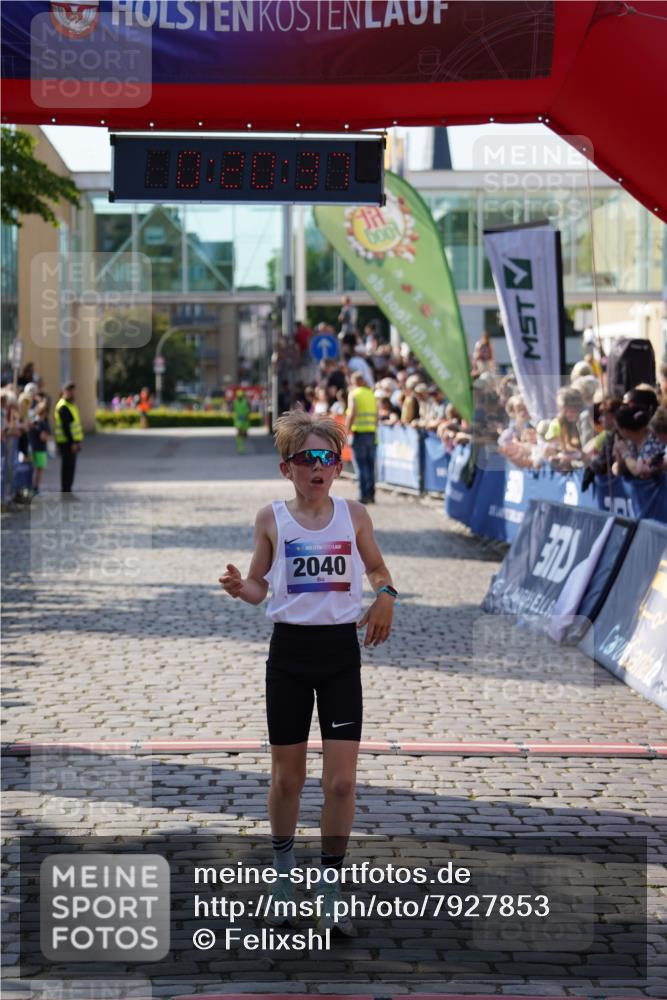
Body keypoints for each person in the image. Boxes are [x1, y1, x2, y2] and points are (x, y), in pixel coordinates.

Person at [219, 411, 396, 936]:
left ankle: (331, 888)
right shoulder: (272, 518)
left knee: (341, 782)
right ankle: (281, 880)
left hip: (340, 655)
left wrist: (386, 595)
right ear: (286, 468)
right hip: (290, 655)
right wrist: (239, 587)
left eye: (328, 458)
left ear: (338, 467)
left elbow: (379, 571)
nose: (318, 468)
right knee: (288, 779)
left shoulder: (355, 515)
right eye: (307, 459)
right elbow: (258, 586)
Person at [346, 371, 378, 504]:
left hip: (359, 434)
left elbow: (352, 413)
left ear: (354, 382)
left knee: (361, 465)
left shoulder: (354, 394)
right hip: (371, 434)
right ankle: (371, 494)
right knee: (370, 466)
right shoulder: (370, 394)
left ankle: (363, 495)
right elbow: (376, 415)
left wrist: (346, 431)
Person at [54, 382, 83, 494]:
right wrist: (73, 442)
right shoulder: (63, 406)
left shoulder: (71, 405)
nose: (72, 393)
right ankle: (65, 491)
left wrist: (77, 441)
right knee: (67, 467)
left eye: (73, 391)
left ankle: (68, 490)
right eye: (69, 391)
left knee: (71, 467)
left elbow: (74, 425)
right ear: (64, 391)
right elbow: (66, 427)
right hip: (66, 442)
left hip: (72, 441)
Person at [29, 399, 51, 495]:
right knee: (39, 470)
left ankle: (34, 487)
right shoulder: (42, 423)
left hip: (34, 448)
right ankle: (36, 488)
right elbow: (44, 437)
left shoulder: (34, 421)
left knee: (35, 469)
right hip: (40, 449)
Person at [232, 388, 251, 454]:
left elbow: (249, 409)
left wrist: (247, 415)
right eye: (238, 396)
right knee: (238, 434)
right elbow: (234, 410)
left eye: (240, 396)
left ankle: (241, 446)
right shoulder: (235, 402)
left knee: (244, 435)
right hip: (238, 421)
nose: (239, 397)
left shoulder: (246, 401)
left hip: (245, 421)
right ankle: (240, 448)